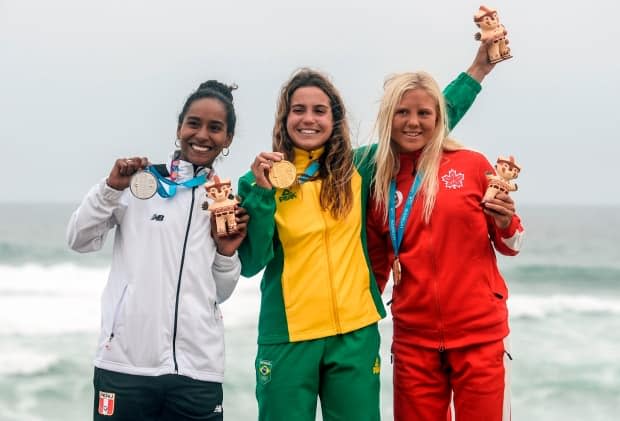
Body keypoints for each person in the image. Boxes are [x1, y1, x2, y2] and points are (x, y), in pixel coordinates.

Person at [236, 39, 499, 420]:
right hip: (289, 336)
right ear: (284, 118)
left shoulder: (360, 170)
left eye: (320, 110)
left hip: (355, 336)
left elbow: (428, 122)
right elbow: (251, 262)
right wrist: (261, 195)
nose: (309, 118)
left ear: (335, 118)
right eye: (299, 110)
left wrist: (478, 71)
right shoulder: (258, 182)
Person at [67, 80, 248, 421]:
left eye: (215, 128)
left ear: (227, 139)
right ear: (180, 126)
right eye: (194, 123)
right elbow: (78, 239)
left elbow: (218, 294)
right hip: (125, 365)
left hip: (199, 371)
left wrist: (226, 253)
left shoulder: (223, 201)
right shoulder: (139, 184)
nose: (202, 135)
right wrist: (108, 190)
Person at [367, 71, 524, 421]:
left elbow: (512, 243)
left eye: (424, 113)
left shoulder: (471, 165)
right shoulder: (378, 180)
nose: (413, 122)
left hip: (480, 338)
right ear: (388, 116)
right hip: (412, 342)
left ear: (439, 118)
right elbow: (377, 268)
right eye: (403, 112)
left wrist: (505, 222)